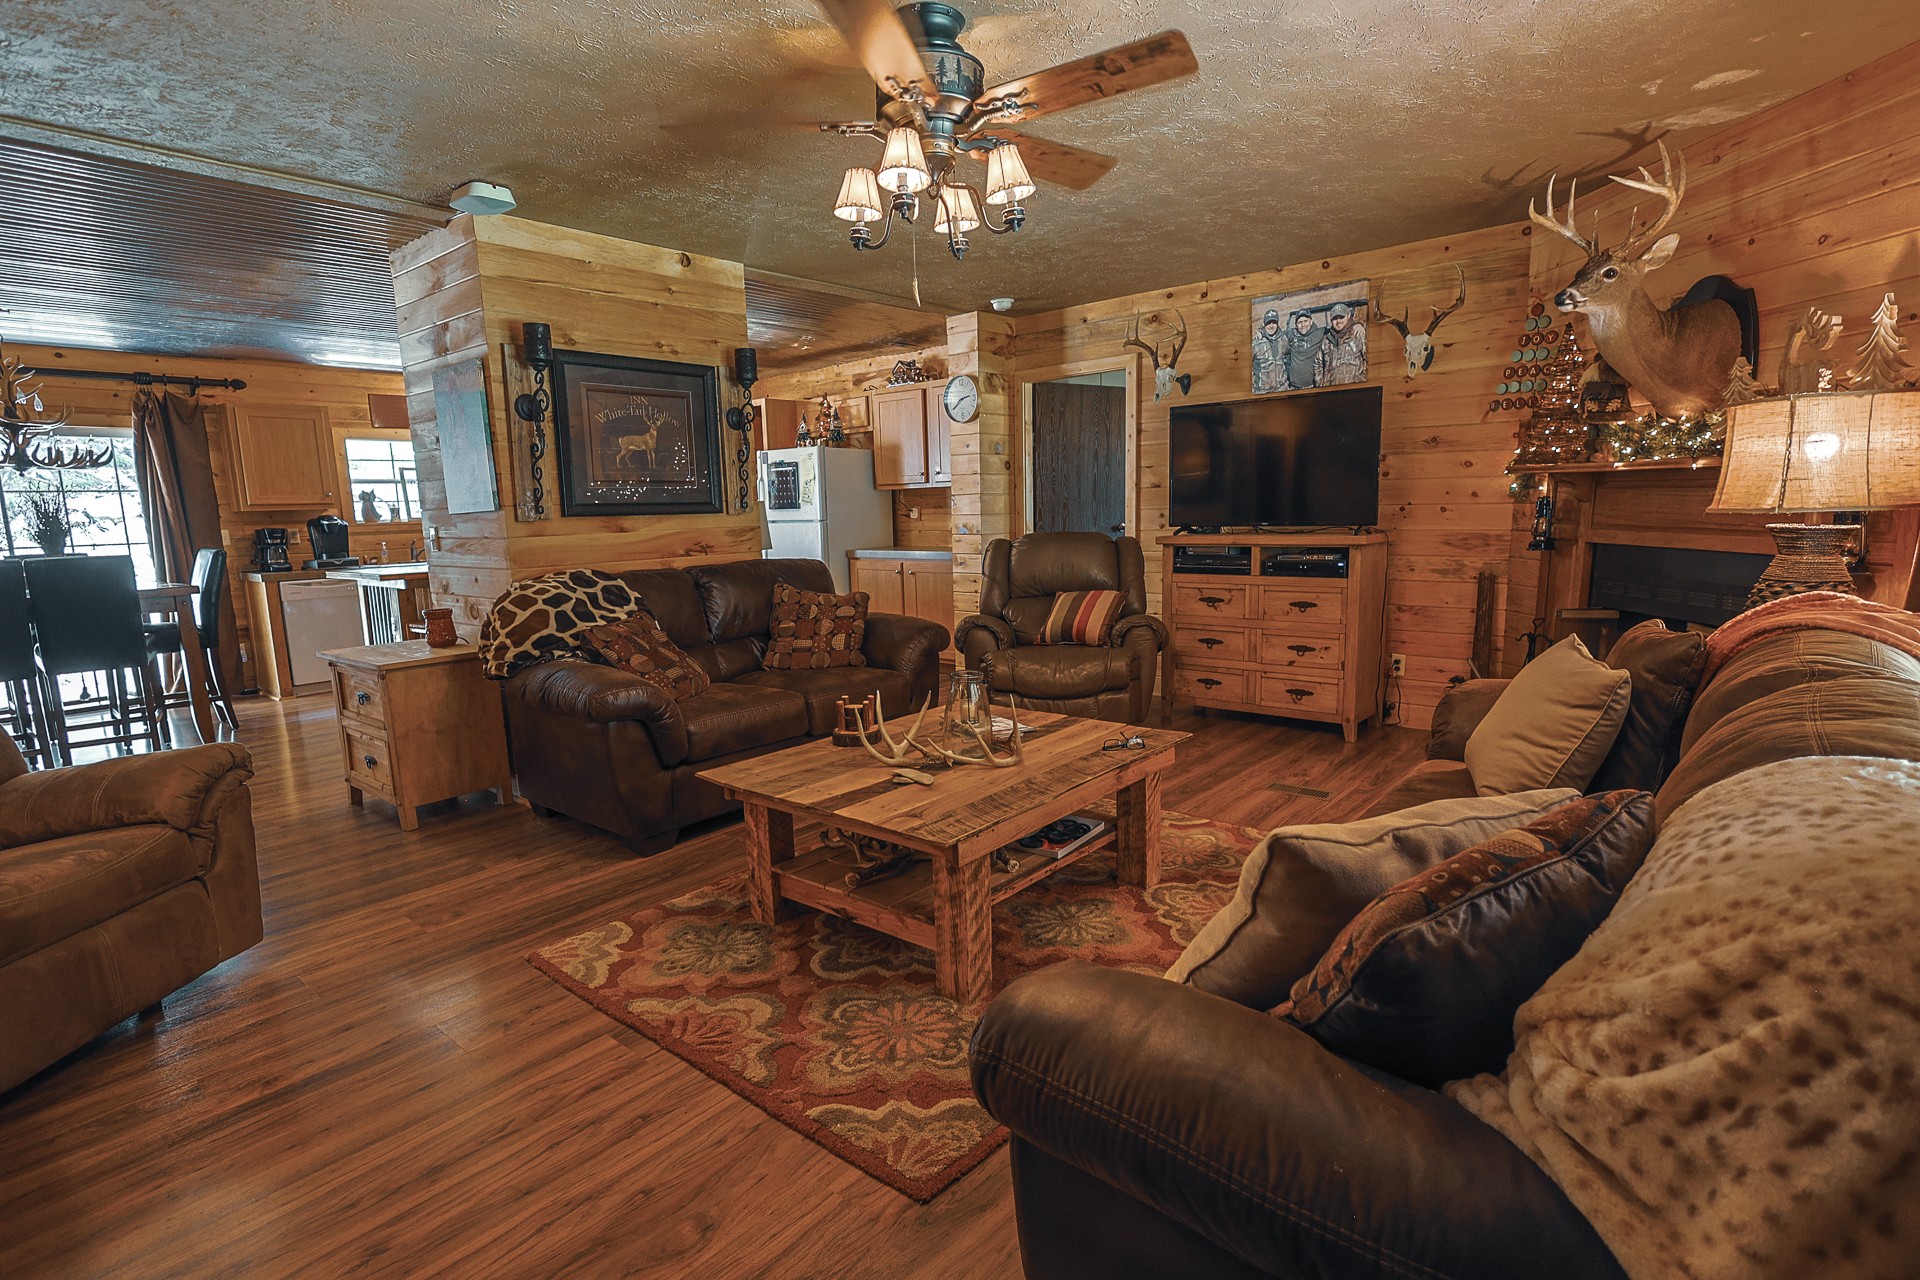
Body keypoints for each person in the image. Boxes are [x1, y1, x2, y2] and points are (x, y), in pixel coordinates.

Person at [1313, 302, 1368, 386]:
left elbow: (1369, 360)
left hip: (1354, 389)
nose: (1338, 321)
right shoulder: (1326, 340)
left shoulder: (1358, 334)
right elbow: (1318, 363)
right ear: (1331, 320)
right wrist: (1320, 384)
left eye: (1341, 317)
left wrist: (1362, 381)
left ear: (1348, 316)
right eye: (1335, 318)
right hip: (1331, 390)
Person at [1281, 310, 1323, 391]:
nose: (1303, 325)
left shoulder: (1320, 333)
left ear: (1311, 321)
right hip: (1293, 387)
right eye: (1300, 322)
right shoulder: (1291, 334)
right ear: (1296, 325)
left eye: (1305, 321)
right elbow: (1277, 334)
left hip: (1312, 386)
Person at [1251, 308, 1288, 393]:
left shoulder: (1284, 339)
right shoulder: (1255, 343)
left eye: (1274, 322)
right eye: (1268, 323)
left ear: (1277, 324)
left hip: (1282, 389)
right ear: (1264, 324)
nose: (1271, 326)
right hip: (1262, 392)